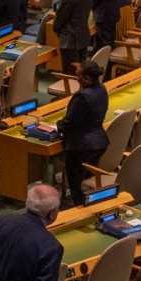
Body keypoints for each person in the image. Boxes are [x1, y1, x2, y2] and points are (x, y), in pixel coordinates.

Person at [59, 60, 108, 206]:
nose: (76, 78)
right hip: (99, 142)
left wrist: (58, 126)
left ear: (86, 78)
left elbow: (70, 121)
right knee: (85, 178)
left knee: (76, 182)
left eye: (78, 75)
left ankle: (78, 207)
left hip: (81, 146)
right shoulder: (102, 89)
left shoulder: (82, 97)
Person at [54, 0, 92, 73]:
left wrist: (56, 29)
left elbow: (62, 15)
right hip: (83, 36)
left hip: (70, 40)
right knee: (81, 74)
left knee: (70, 73)